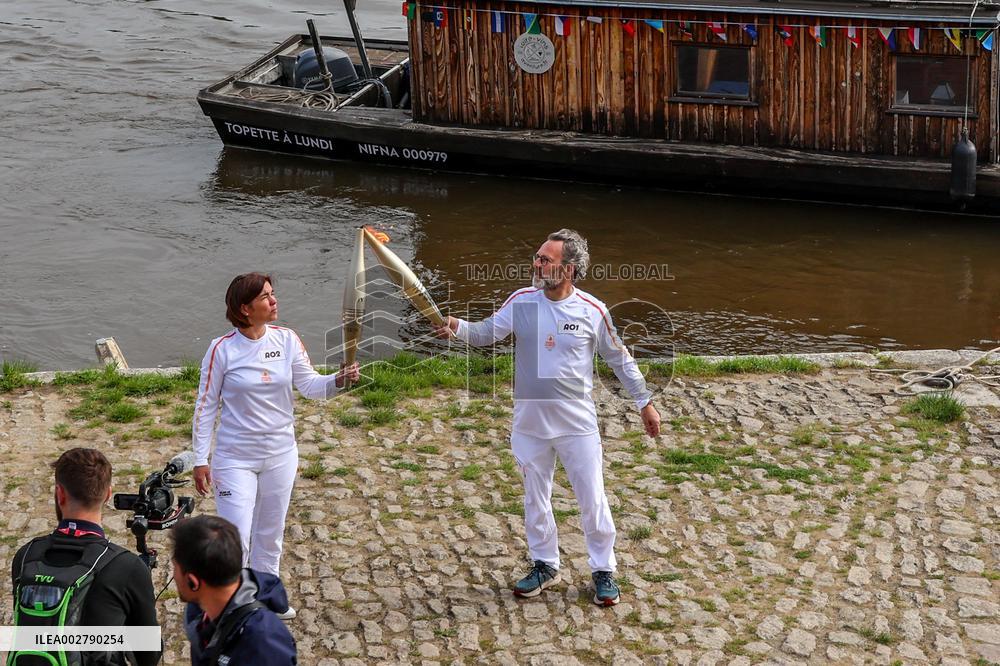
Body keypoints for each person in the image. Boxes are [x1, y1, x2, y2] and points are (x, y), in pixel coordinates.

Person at [434, 229, 661, 606]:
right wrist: (456, 327)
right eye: (537, 257)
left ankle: (604, 570)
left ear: (568, 269)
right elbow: (487, 333)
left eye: (545, 260)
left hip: (577, 425)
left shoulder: (593, 310)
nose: (536, 265)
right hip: (530, 423)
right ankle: (544, 564)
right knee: (535, 498)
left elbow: (619, 358)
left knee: (592, 498)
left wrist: (644, 402)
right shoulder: (522, 301)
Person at [191, 272, 358, 620]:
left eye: (272, 293)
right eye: (265, 297)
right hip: (235, 458)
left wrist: (338, 380)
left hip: (281, 454)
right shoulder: (222, 349)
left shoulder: (287, 340)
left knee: (270, 534)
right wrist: (199, 458)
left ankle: (267, 596)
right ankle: (230, 606)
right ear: (244, 308)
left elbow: (310, 386)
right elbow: (206, 405)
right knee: (237, 537)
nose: (273, 300)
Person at [10, 448, 160, 665]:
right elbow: (149, 655)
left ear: (60, 493)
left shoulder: (27, 556)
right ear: (108, 494)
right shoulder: (127, 566)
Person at [172, 515, 296, 666]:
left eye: (175, 568)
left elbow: (150, 651)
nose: (173, 575)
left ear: (193, 582)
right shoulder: (199, 610)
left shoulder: (264, 645)